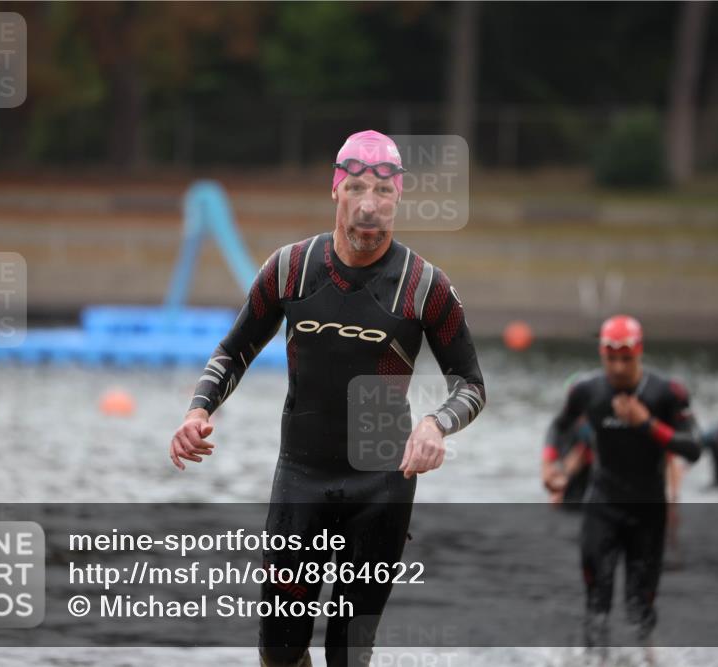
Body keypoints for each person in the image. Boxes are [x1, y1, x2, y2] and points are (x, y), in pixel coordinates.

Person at [169, 130, 486, 667]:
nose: (369, 205)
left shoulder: (424, 286)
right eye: (357, 188)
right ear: (336, 189)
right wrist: (198, 411)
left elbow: (471, 384)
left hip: (381, 486)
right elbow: (233, 350)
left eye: (383, 193)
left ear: (398, 197)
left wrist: (435, 425)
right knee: (279, 651)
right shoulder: (291, 269)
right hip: (303, 478)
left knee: (348, 655)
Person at [541, 315, 701, 655]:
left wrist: (647, 424)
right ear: (602, 354)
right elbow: (558, 426)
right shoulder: (588, 389)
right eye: (610, 358)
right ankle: (594, 662)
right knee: (596, 604)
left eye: (625, 359)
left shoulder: (666, 392)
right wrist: (548, 465)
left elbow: (694, 448)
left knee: (640, 609)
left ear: (639, 353)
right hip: (603, 505)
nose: (617, 367)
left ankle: (649, 659)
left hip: (647, 510)